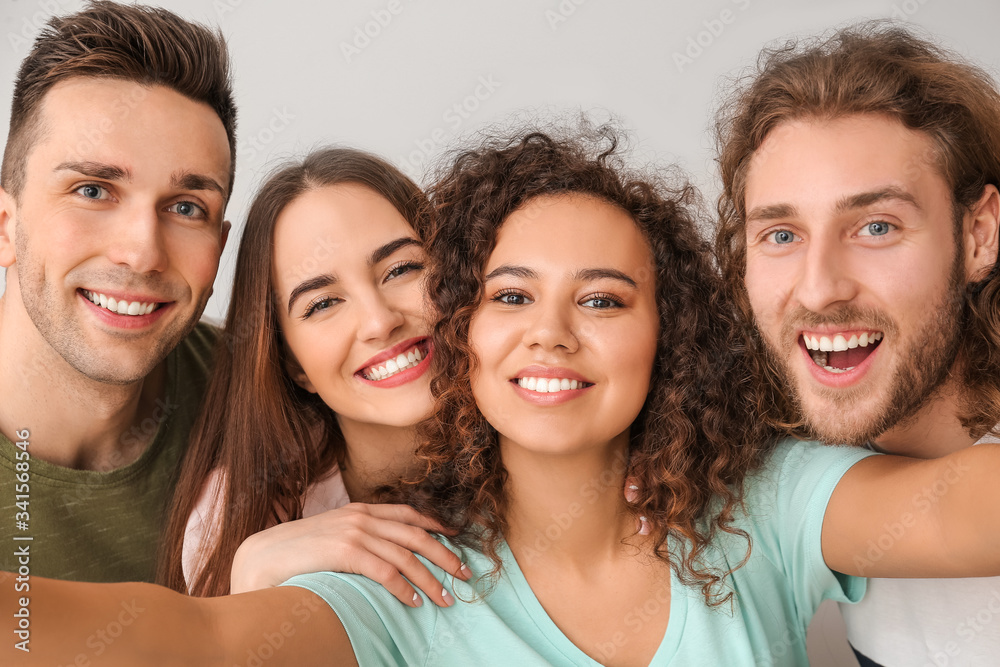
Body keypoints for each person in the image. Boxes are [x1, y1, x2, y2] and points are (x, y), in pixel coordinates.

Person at [10, 124, 1000, 667]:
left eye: (603, 298)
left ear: (670, 333)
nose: (550, 333)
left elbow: (965, 509)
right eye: (510, 294)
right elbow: (175, 639)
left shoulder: (764, 505)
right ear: (466, 332)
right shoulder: (397, 584)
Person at [714, 23, 1000, 666]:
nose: (818, 290)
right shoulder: (778, 461)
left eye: (876, 226)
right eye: (781, 235)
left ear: (978, 234)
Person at [157, 147, 467, 603]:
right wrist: (250, 581)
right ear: (292, 365)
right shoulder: (238, 514)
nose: (380, 322)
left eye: (401, 269)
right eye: (322, 303)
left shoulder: (563, 430)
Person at [0, 1, 236, 582]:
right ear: (7, 225)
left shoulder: (263, 393)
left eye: (187, 208)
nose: (142, 252)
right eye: (92, 190)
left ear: (221, 245)